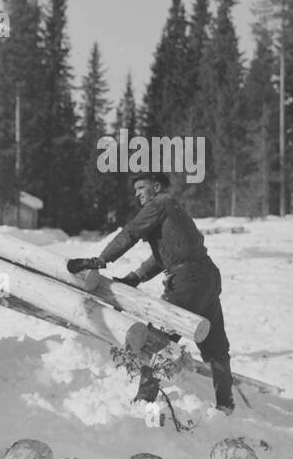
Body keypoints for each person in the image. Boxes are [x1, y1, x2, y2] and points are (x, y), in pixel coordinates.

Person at [66, 172, 236, 413]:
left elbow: (130, 233)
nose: (137, 193)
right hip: (207, 277)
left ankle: (145, 400)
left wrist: (100, 260)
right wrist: (136, 277)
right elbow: (168, 254)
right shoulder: (173, 208)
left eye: (141, 187)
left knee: (156, 339)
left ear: (156, 187)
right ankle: (226, 403)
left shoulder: (160, 203)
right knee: (216, 345)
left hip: (188, 282)